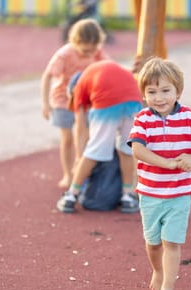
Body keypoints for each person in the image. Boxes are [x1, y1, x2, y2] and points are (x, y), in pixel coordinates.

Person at [127, 57, 191, 290]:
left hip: (179, 193)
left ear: (178, 91)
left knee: (171, 242)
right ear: (144, 95)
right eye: (152, 92)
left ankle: (168, 287)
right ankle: (157, 269)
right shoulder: (143, 119)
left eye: (166, 90)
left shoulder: (189, 117)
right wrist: (166, 163)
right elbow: (137, 150)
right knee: (153, 243)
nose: (159, 97)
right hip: (151, 193)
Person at [56, 60, 142, 214]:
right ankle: (127, 197)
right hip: (134, 99)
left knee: (94, 150)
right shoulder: (97, 71)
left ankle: (71, 195)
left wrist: (78, 157)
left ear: (73, 90)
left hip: (108, 100)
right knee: (126, 149)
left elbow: (81, 129)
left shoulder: (80, 86)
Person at [41, 18, 108, 190]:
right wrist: (45, 104)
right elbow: (47, 76)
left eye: (92, 50)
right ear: (76, 42)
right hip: (63, 100)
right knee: (68, 138)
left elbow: (110, 68)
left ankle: (81, 172)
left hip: (84, 102)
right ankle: (68, 174)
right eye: (85, 50)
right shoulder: (64, 54)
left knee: (85, 137)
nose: (89, 54)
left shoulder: (97, 52)